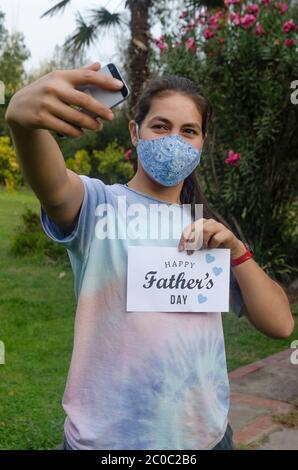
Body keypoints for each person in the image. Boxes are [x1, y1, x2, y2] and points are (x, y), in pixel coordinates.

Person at [5, 62, 294, 451]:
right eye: (161, 126)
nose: (174, 139)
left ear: (202, 142)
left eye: (188, 131)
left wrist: (238, 253)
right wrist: (24, 123)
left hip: (206, 438)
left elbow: (280, 325)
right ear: (134, 132)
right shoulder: (98, 206)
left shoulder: (206, 231)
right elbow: (53, 185)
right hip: (108, 442)